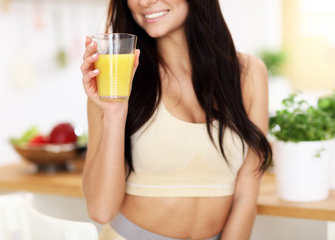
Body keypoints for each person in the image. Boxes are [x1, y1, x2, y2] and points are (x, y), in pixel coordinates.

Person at [80, 0, 272, 239]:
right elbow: (101, 210)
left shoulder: (249, 73)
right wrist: (114, 113)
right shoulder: (116, 76)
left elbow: (246, 198)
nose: (144, 2)